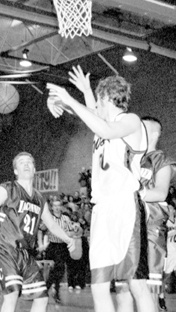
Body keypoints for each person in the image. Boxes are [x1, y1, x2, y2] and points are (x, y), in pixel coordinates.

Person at [46, 65, 154, 312]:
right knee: (99, 286)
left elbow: (103, 127)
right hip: (101, 210)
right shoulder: (101, 122)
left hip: (125, 206)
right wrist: (77, 96)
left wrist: (70, 99)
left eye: (98, 100)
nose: (96, 105)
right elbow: (94, 115)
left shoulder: (130, 120)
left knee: (135, 283)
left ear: (106, 98)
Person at [0, 152, 75, 312]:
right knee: (12, 294)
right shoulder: (8, 188)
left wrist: (68, 239)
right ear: (15, 170)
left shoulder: (39, 198)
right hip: (4, 247)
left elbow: (51, 224)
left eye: (29, 162)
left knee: (42, 298)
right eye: (21, 162)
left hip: (25, 252)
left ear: (34, 169)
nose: (26, 165)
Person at [139, 117, 176, 311]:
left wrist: (133, 192)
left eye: (141, 128)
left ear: (154, 134)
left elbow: (161, 192)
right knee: (129, 290)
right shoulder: (132, 158)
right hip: (132, 228)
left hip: (152, 227)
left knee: (150, 290)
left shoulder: (161, 159)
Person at [38, 197, 74, 303]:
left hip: (63, 246)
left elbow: (71, 232)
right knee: (58, 268)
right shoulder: (49, 219)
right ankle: (53, 291)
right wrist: (40, 244)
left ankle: (48, 290)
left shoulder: (66, 219)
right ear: (52, 208)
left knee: (59, 270)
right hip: (53, 246)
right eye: (55, 206)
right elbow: (40, 230)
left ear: (62, 207)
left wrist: (66, 234)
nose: (57, 208)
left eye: (59, 205)